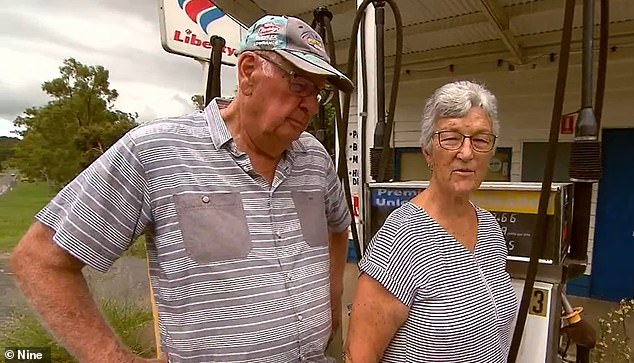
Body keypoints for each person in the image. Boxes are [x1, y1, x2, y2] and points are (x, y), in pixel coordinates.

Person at [10, 14, 354, 363]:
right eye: (299, 85)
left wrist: (332, 296)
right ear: (249, 70)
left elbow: (338, 226)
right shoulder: (157, 152)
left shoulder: (314, 157)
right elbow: (39, 259)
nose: (310, 104)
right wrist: (113, 358)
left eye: (317, 93)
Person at [344, 81, 519, 362]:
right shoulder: (401, 239)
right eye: (451, 138)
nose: (466, 153)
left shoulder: (490, 229)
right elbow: (359, 353)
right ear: (427, 152)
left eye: (480, 139)